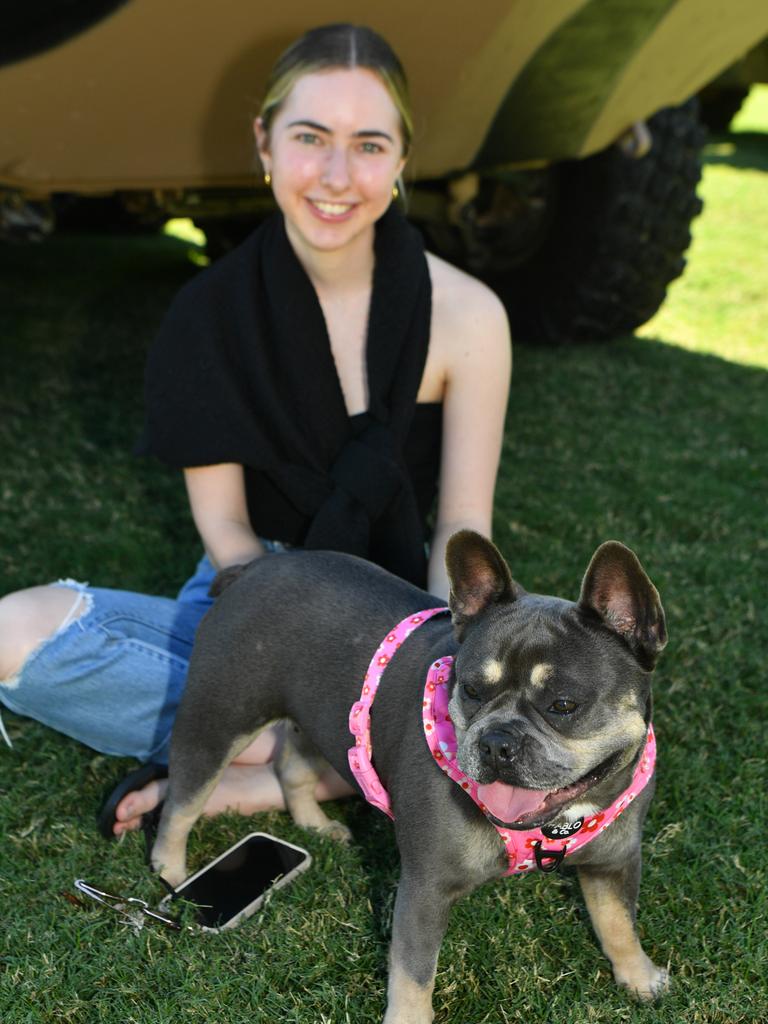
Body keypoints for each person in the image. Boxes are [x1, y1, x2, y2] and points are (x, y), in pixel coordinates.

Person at [0, 24, 511, 839]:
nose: (337, 177)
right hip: (253, 595)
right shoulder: (206, 316)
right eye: (310, 138)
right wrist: (273, 679)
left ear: (403, 159)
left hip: (401, 607)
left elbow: (462, 528)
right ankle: (318, 750)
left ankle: (283, 760)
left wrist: (417, 664)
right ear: (265, 142)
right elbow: (230, 537)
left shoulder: (471, 318)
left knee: (495, 689)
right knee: (11, 634)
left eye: (368, 145)